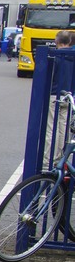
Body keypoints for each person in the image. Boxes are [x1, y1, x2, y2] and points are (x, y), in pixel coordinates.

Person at [44, 30, 75, 169]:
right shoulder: (72, 57)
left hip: (54, 95)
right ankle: (60, 158)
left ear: (56, 41)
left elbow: (48, 78)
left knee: (51, 128)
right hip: (69, 96)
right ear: (70, 42)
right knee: (64, 127)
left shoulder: (55, 56)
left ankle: (47, 160)